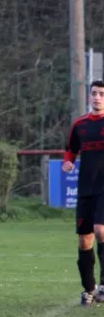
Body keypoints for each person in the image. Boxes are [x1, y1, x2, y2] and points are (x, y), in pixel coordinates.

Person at [62, 80, 104, 307]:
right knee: (84, 240)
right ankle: (89, 289)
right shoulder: (80, 125)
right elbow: (70, 149)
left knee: (101, 230)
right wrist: (68, 163)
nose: (97, 97)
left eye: (101, 94)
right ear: (89, 97)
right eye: (94, 93)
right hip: (85, 189)